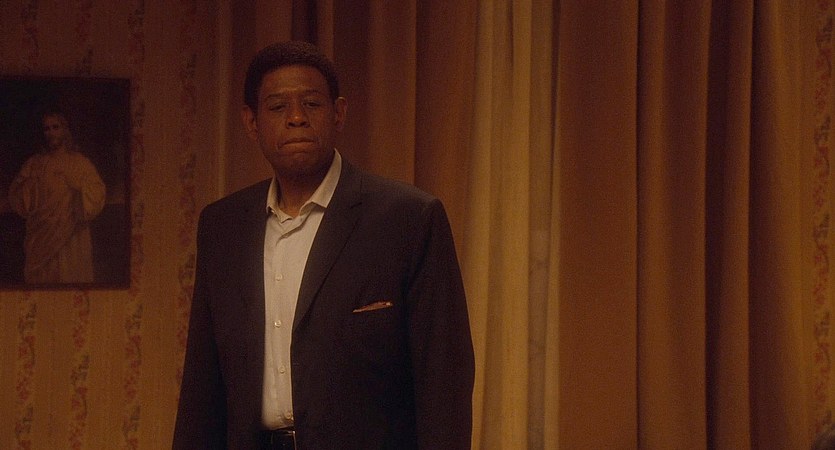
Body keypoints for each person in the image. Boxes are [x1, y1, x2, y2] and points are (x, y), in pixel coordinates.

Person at [173, 41, 475, 449]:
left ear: (339, 113)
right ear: (251, 122)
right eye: (278, 107)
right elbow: (202, 385)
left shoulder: (408, 219)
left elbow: (444, 380)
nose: (296, 118)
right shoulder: (223, 227)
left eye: (312, 104)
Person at [7, 108, 105, 283]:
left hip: (72, 236)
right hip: (41, 237)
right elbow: (17, 196)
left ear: (64, 130)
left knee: (70, 276)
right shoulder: (34, 163)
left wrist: (80, 188)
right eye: (47, 128)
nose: (51, 132)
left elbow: (97, 193)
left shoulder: (80, 163)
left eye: (55, 127)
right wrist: (31, 186)